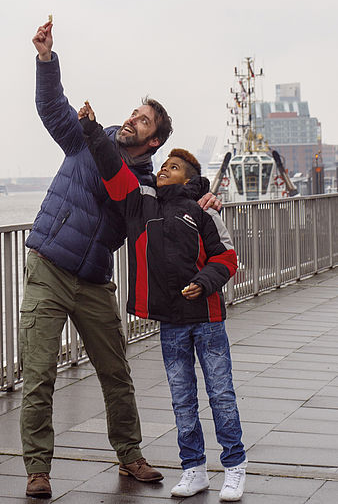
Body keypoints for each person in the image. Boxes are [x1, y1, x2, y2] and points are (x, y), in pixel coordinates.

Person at [20, 18, 221, 500]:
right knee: (39, 372)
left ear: (154, 141)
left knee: (116, 372)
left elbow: (174, 208)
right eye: (134, 112)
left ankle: (130, 455)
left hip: (93, 279)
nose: (132, 119)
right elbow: (51, 107)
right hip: (49, 267)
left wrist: (202, 199)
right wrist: (47, 58)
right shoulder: (89, 139)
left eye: (144, 119)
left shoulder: (149, 183)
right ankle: (38, 468)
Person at [78, 99, 246, 502]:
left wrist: (204, 283)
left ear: (185, 178)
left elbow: (227, 257)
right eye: (162, 165)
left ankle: (234, 466)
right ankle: (193, 469)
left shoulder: (203, 211)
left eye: (170, 167)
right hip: (170, 320)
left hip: (206, 318)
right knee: (182, 396)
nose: (162, 169)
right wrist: (90, 128)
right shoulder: (140, 202)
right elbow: (112, 169)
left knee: (220, 391)